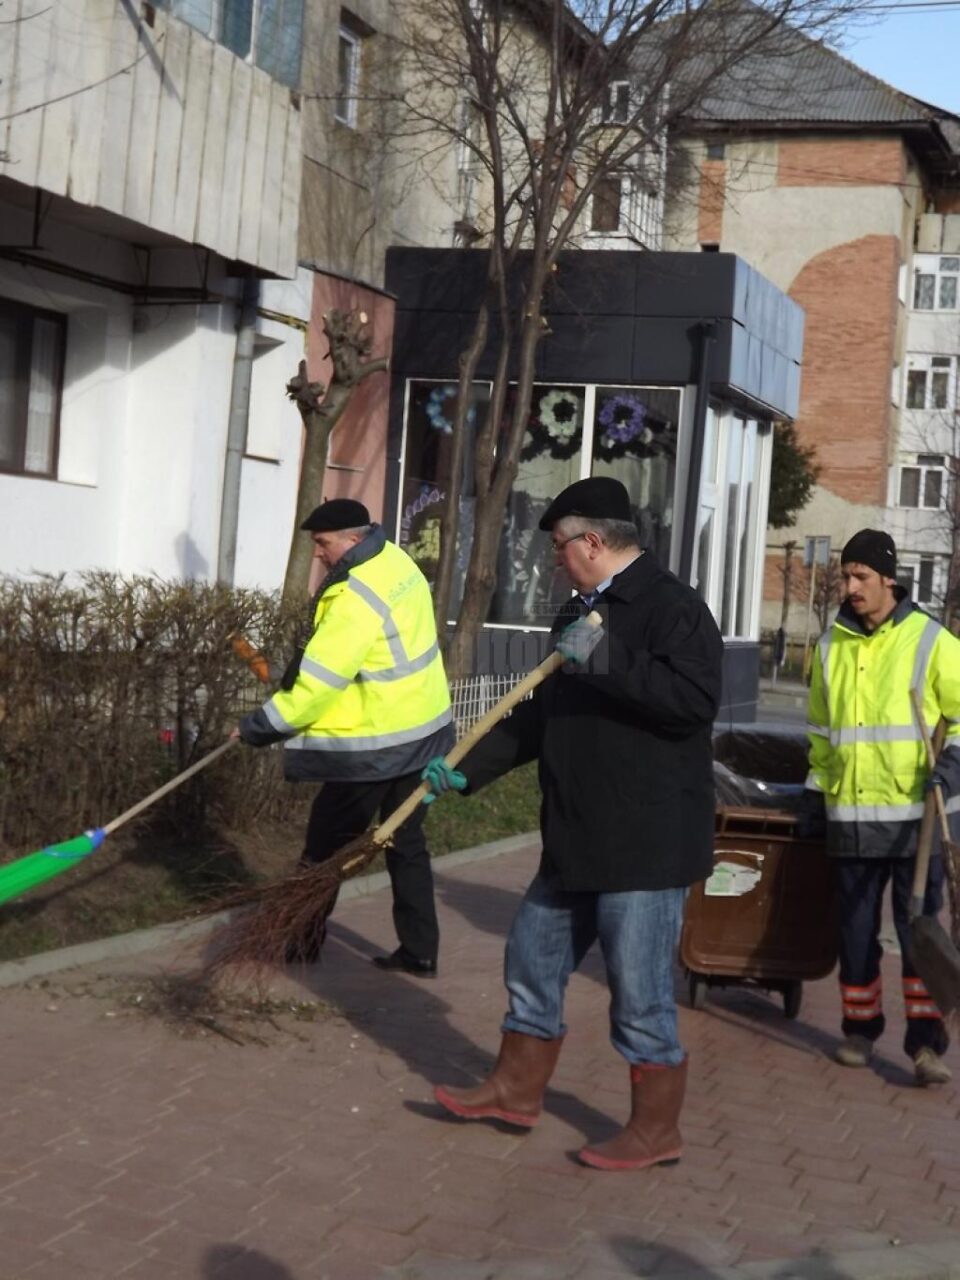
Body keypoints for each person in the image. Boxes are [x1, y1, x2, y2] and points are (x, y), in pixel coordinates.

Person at [421, 476, 723, 1171]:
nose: (555, 559)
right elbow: (537, 711)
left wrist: (606, 661)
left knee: (640, 993)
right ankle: (514, 1090)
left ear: (592, 541)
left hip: (644, 842)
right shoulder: (578, 614)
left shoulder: (670, 608)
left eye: (560, 546)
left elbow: (692, 701)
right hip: (577, 834)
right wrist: (471, 768)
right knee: (532, 956)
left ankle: (656, 1131)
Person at [237, 498, 454, 975]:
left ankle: (299, 942)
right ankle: (420, 951)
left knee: (325, 847)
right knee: (406, 841)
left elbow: (318, 686)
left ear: (353, 539)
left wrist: (261, 726)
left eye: (323, 543)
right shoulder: (394, 560)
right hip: (424, 729)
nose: (318, 553)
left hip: (374, 745)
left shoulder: (354, 594)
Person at [805, 528, 960, 1085]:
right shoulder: (829, 646)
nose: (850, 586)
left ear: (888, 578)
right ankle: (858, 1030)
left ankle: (925, 1046)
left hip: (915, 822)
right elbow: (821, 732)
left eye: (861, 577)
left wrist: (951, 768)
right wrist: (813, 793)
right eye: (845, 575)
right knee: (853, 933)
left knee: (917, 933)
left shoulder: (930, 640)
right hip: (850, 815)